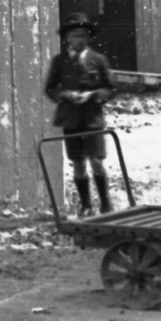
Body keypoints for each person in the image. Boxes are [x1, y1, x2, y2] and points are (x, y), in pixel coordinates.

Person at [44, 11, 116, 215]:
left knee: (96, 161)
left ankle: (106, 205)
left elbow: (111, 88)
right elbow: (50, 88)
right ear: (67, 38)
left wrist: (93, 95)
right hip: (71, 119)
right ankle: (86, 206)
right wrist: (65, 95)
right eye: (75, 35)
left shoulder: (99, 60)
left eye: (83, 35)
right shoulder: (60, 61)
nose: (79, 40)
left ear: (89, 38)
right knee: (77, 163)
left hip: (93, 118)